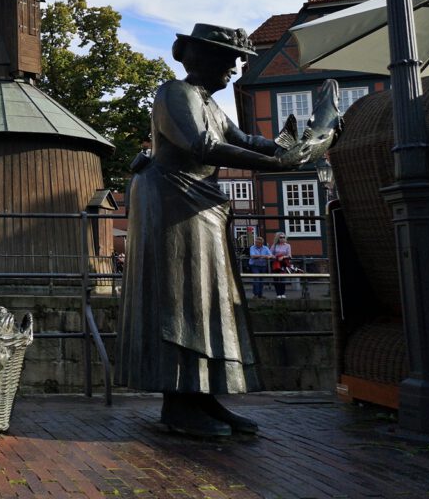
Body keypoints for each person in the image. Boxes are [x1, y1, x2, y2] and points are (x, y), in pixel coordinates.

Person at [119, 23, 320, 438]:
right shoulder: (175, 93)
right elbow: (202, 146)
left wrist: (292, 148)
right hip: (172, 200)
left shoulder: (208, 102)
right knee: (180, 295)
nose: (233, 72)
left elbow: (244, 139)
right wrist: (277, 165)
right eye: (228, 63)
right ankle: (178, 403)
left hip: (199, 203)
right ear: (201, 59)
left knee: (206, 295)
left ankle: (201, 394)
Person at [270, 232, 292, 299]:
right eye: (280, 237)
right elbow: (270, 254)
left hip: (283, 263)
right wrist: (276, 257)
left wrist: (283, 257)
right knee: (276, 279)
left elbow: (289, 255)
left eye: (283, 237)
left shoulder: (287, 245)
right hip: (276, 263)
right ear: (278, 238)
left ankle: (282, 293)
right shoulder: (274, 245)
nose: (282, 239)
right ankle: (278, 294)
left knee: (283, 279)